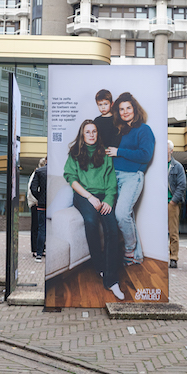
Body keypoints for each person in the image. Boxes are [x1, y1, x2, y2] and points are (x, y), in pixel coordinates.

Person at [64, 120, 124, 300]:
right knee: (90, 223)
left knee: (112, 229)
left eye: (94, 131)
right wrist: (90, 197)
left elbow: (111, 181)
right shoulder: (74, 154)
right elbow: (71, 179)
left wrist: (108, 200)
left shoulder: (105, 154)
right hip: (83, 196)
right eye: (88, 132)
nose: (91, 134)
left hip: (104, 196)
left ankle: (111, 279)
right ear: (82, 135)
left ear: (97, 134)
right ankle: (99, 267)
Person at [106, 92, 155, 266]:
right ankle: (136, 255)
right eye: (121, 109)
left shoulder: (144, 129)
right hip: (115, 177)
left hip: (132, 177)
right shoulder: (121, 131)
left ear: (135, 108)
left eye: (128, 108)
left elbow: (145, 155)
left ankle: (129, 249)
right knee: (127, 215)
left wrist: (118, 152)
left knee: (121, 214)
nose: (125, 112)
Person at [167, 140, 186, 268]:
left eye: (166, 148)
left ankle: (173, 258)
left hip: (171, 203)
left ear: (171, 150)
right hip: (158, 203)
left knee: (173, 232)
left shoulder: (177, 166)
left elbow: (182, 185)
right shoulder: (156, 164)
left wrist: (174, 201)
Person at [29, 157, 47, 262]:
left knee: (41, 228)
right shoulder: (59, 171)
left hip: (42, 203)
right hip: (54, 204)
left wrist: (39, 197)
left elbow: (33, 188)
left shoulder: (39, 171)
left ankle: (39, 254)